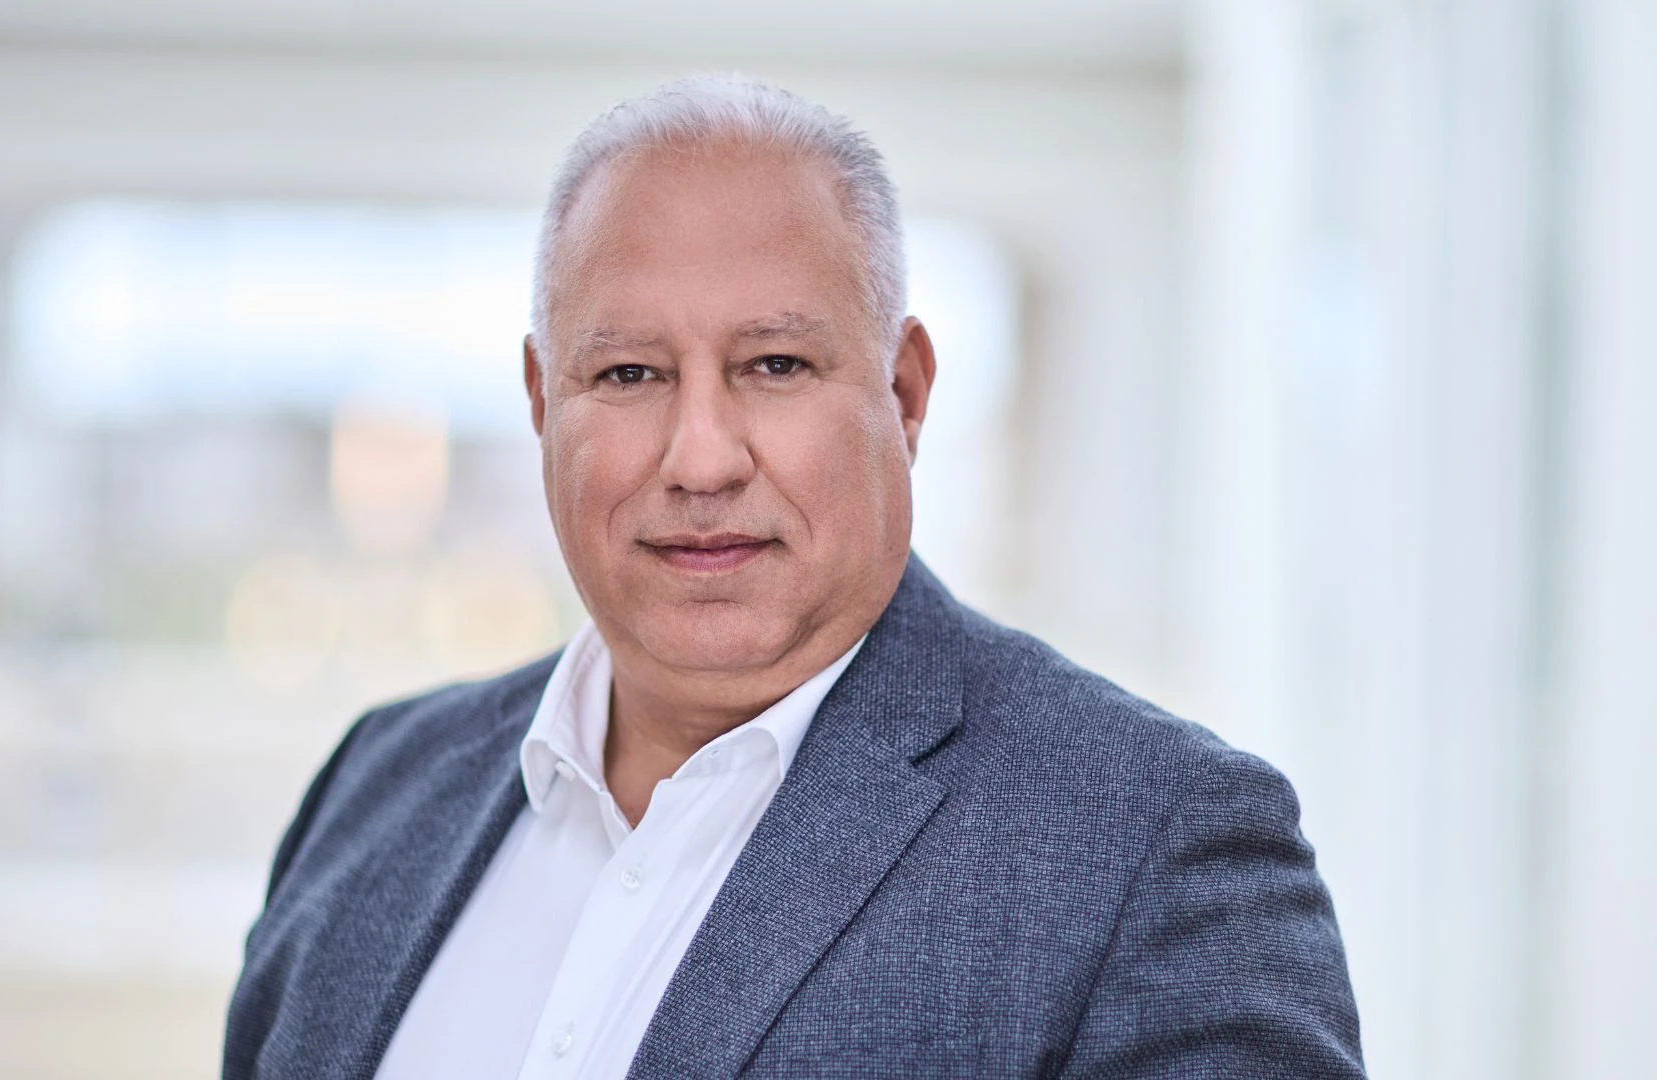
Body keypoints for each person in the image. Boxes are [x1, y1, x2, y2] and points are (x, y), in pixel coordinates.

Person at [223, 75, 1364, 1080]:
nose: (702, 457)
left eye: (775, 365)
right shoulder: (377, 785)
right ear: (539, 402)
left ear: (905, 394)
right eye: (629, 373)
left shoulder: (1150, 849)